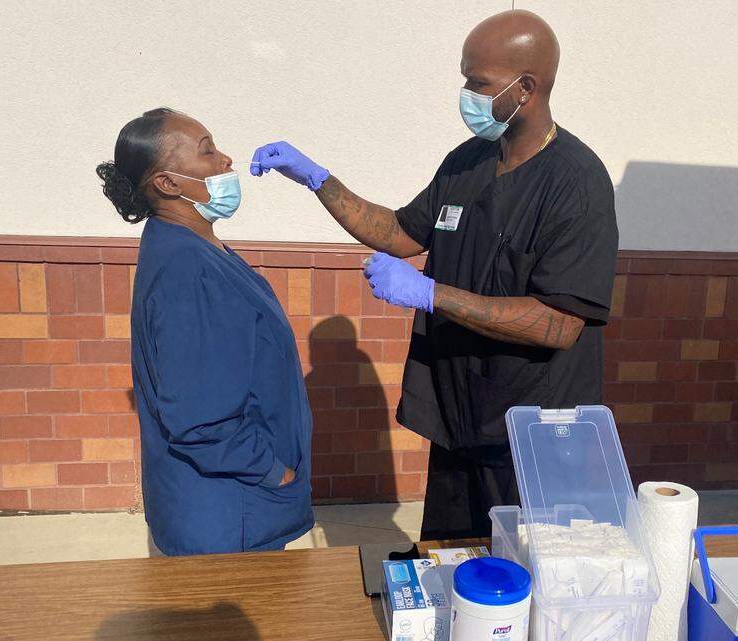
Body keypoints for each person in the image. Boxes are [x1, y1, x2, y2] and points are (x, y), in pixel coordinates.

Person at [250, 10, 618, 539]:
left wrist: (430, 293)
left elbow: (558, 323)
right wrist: (319, 181)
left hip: (529, 434)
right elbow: (402, 232)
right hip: (458, 415)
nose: (466, 94)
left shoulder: (576, 183)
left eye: (479, 83)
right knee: (449, 557)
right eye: (465, 78)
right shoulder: (467, 162)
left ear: (527, 88)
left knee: (518, 575)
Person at [96, 108, 313, 555]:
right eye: (207, 151)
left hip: (232, 507)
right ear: (168, 184)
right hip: (228, 519)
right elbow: (198, 420)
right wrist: (274, 472)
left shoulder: (194, 247)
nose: (225, 160)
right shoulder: (188, 270)